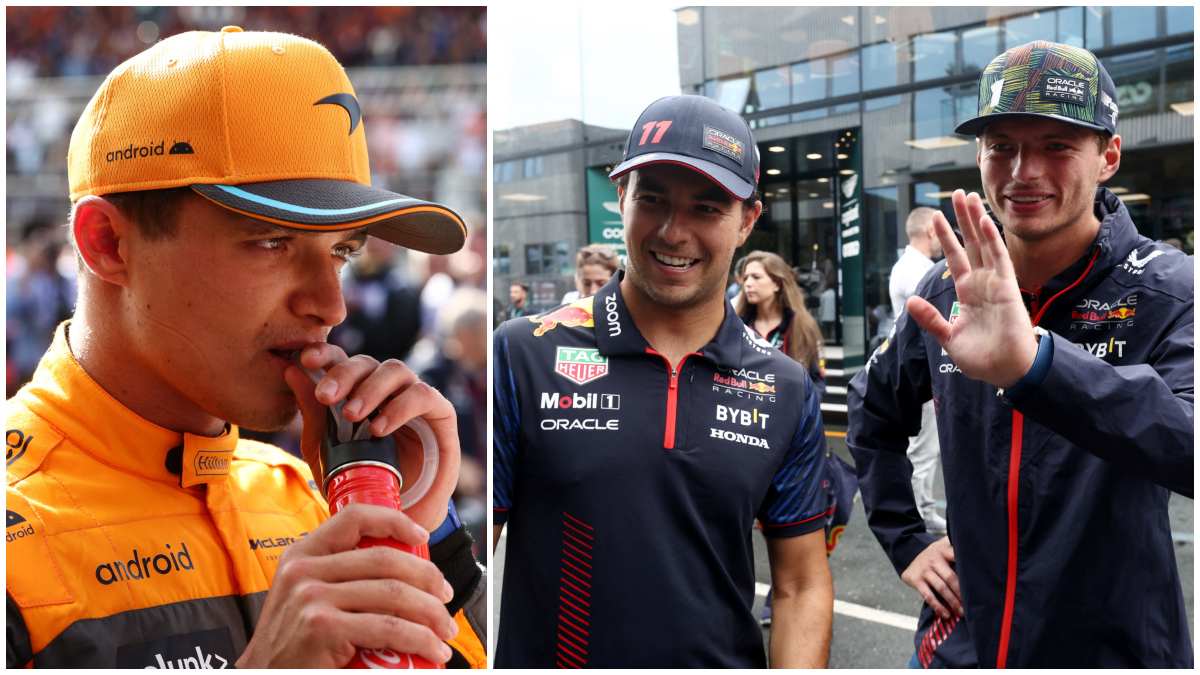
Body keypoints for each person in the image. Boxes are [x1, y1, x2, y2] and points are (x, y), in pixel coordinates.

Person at [6, 27, 485, 668]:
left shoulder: (311, 494)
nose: (331, 305)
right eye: (271, 242)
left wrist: (419, 535)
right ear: (108, 245)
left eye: (343, 251)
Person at [848, 40, 1193, 668]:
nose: (1022, 171)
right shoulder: (945, 286)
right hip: (962, 646)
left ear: (1108, 156)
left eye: (1056, 146)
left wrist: (1040, 368)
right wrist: (906, 541)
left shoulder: (1169, 288)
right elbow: (871, 413)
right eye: (1001, 146)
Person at [493, 95, 832, 668]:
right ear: (620, 198)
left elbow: (801, 586)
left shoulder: (786, 385)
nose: (674, 232)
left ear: (748, 220)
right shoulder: (522, 352)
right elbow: (469, 562)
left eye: (706, 208)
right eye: (652, 199)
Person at [732, 250, 856, 628]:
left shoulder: (802, 328)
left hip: (788, 448)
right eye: (745, 277)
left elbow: (816, 388)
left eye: (755, 276)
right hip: (739, 441)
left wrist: (781, 410)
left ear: (777, 281)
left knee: (795, 530)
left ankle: (780, 598)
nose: (747, 284)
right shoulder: (731, 325)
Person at [887, 208, 946, 535]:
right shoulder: (919, 271)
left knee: (922, 447)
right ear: (929, 232)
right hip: (923, 372)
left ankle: (919, 510)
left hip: (919, 369)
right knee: (924, 449)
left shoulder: (909, 267)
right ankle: (920, 513)